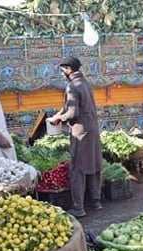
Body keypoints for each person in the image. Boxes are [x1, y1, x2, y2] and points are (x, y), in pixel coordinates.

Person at [48, 56, 103, 218]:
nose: (62, 73)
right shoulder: (86, 83)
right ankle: (96, 201)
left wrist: (59, 119)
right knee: (94, 165)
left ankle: (78, 207)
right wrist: (59, 113)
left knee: (78, 169)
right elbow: (69, 106)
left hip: (80, 133)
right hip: (92, 130)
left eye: (63, 70)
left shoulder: (72, 86)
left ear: (69, 69)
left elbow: (72, 112)